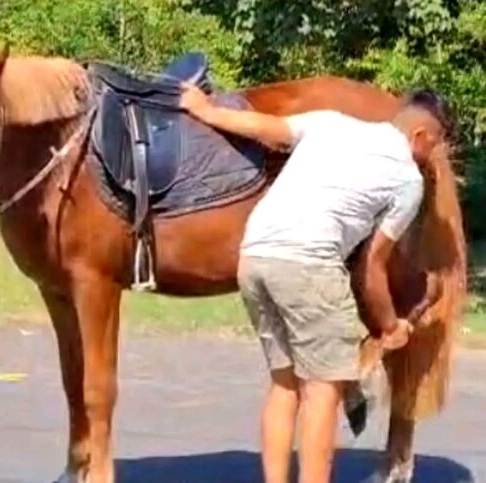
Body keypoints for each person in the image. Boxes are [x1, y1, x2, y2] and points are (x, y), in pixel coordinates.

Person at [180, 85, 452, 483]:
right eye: (437, 146)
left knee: (284, 386)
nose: (433, 158)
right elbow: (373, 267)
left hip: (255, 257)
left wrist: (204, 109)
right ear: (421, 137)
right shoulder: (408, 180)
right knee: (322, 393)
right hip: (308, 266)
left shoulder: (331, 123)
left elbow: (261, 126)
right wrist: (391, 326)